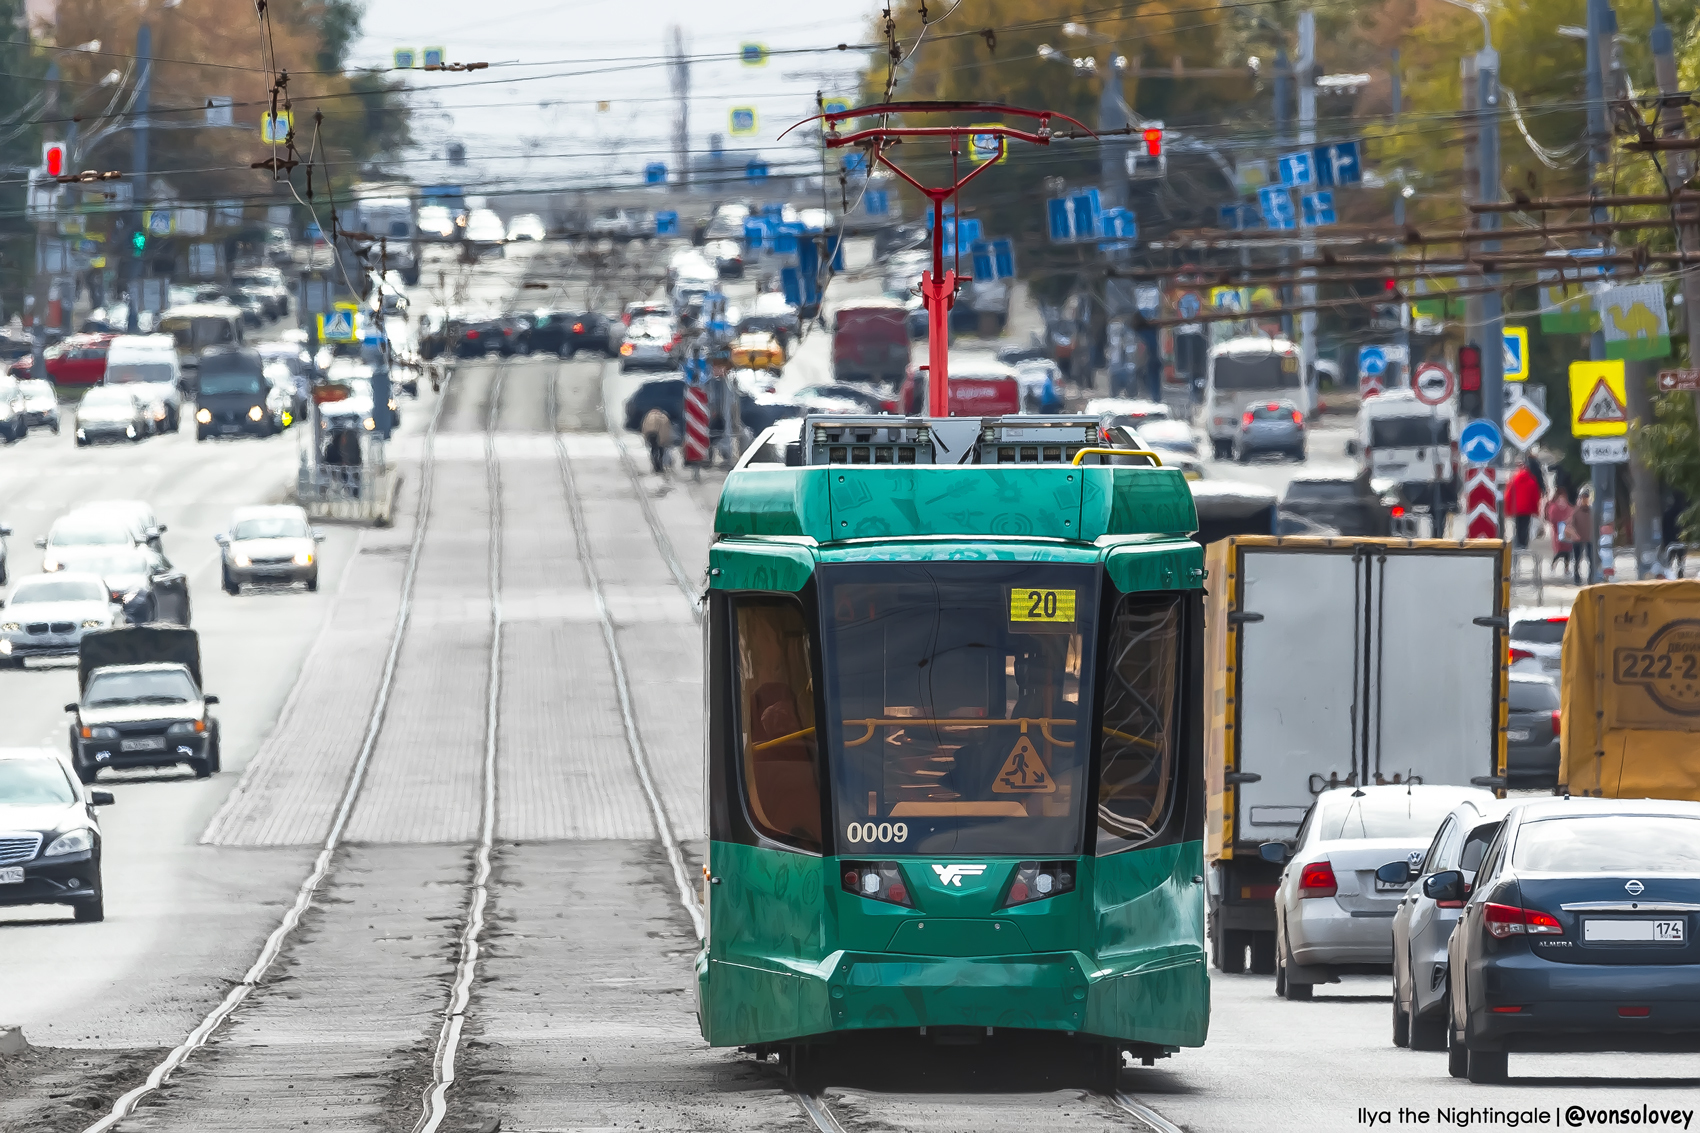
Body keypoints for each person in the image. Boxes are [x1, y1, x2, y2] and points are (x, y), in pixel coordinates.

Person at [1505, 455, 1543, 550]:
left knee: (1517, 525)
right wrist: (1536, 511)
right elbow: (1535, 497)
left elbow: (1508, 495)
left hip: (1516, 508)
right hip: (1527, 509)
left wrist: (1508, 509)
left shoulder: (1514, 480)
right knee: (1525, 526)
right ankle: (1523, 544)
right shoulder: (1532, 481)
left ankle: (1518, 543)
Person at [1545, 490, 1574, 579]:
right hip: (1558, 533)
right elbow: (1552, 518)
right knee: (1558, 553)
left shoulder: (1568, 508)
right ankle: (1553, 567)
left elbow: (1572, 516)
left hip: (1567, 534)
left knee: (1567, 554)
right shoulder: (1554, 508)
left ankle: (1566, 569)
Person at [1571, 486, 1595, 585]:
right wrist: (1575, 535)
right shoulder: (1576, 511)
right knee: (1577, 559)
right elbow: (1570, 525)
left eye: (1586, 497)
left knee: (1591, 559)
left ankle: (1591, 577)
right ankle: (1577, 577)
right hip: (1578, 539)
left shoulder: (1592, 511)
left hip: (1590, 539)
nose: (1585, 499)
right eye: (1583, 497)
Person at [641, 405, 673, 475]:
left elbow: (645, 427)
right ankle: (660, 466)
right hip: (661, 436)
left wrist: (645, 437)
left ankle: (656, 466)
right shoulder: (664, 416)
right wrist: (667, 439)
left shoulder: (648, 416)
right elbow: (667, 429)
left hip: (652, 435)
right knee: (661, 451)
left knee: (653, 450)